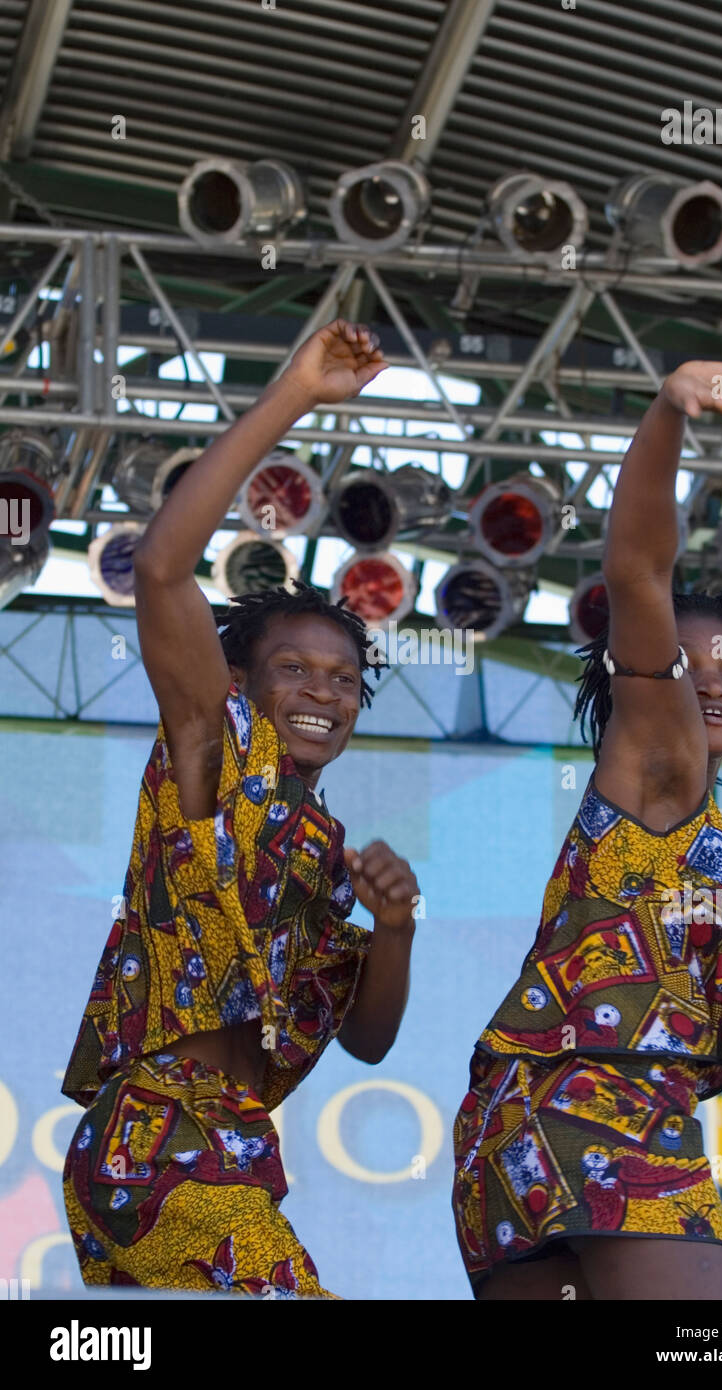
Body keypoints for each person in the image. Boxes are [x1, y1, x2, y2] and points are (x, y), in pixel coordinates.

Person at [452, 363, 722, 1301]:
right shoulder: (657, 764)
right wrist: (669, 406)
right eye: (688, 661)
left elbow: (700, 1067)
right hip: (595, 1117)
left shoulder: (714, 858)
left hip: (518, 1141)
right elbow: (635, 568)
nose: (710, 681)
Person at [61, 319, 421, 1299]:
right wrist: (292, 395)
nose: (323, 689)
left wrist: (395, 929)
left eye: (345, 676)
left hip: (224, 1145)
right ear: (235, 681)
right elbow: (168, 568)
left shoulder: (323, 845)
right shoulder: (211, 756)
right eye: (293, 667)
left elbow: (368, 1037)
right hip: (160, 1137)